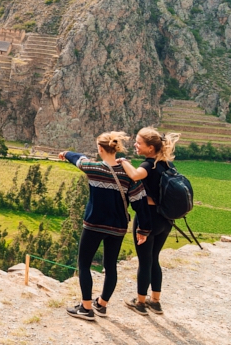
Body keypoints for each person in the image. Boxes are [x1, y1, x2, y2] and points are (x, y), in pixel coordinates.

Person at [59, 131, 151, 321]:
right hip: (117, 228)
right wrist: (143, 229)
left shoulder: (93, 168)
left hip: (93, 225)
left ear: (100, 149)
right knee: (111, 267)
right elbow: (140, 204)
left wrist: (66, 153)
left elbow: (79, 159)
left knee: (84, 264)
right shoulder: (128, 174)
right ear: (115, 148)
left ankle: (86, 308)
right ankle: (101, 305)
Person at [118, 127, 180, 315]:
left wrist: (123, 161)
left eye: (139, 143)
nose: (135, 145)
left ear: (151, 148)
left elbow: (135, 175)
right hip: (166, 219)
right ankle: (156, 301)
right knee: (154, 259)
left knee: (144, 261)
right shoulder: (167, 164)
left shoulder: (149, 165)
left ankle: (140, 303)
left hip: (149, 218)